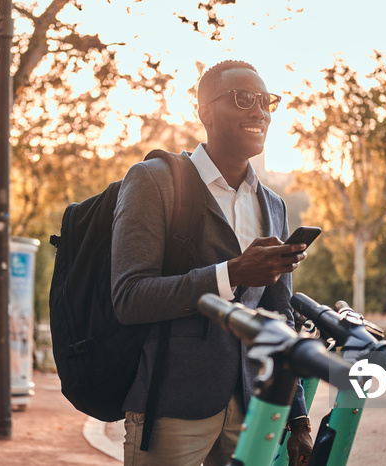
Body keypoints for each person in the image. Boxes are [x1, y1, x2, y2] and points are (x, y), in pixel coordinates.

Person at [111, 60, 313, 466]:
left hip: (253, 411)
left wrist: (298, 417)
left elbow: (278, 315)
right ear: (204, 112)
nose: (259, 111)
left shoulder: (273, 205)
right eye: (243, 99)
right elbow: (129, 297)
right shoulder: (155, 181)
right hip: (171, 405)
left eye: (266, 101)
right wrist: (232, 274)